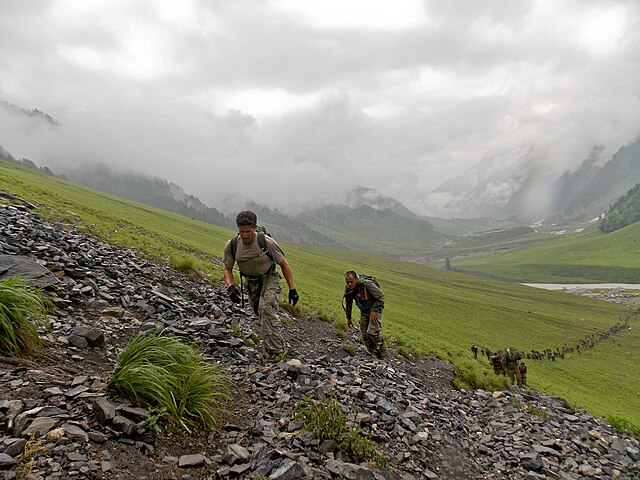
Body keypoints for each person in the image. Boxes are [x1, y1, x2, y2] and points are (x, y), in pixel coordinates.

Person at [223, 210, 299, 358]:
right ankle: (274, 337)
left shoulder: (266, 242)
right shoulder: (232, 245)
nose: (245, 235)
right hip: (251, 282)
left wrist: (292, 289)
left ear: (255, 228)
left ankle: (276, 352)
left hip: (269, 278)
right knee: (259, 312)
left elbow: (284, 264)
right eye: (241, 231)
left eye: (248, 231)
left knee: (266, 308)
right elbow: (227, 268)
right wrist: (230, 287)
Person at [343, 271, 386, 359]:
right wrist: (349, 318)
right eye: (347, 282)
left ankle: (382, 356)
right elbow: (348, 303)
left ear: (356, 279)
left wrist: (374, 310)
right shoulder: (348, 289)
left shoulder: (367, 284)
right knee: (364, 334)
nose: (349, 284)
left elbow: (381, 296)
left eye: (351, 281)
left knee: (373, 333)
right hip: (364, 311)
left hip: (375, 309)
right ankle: (372, 353)